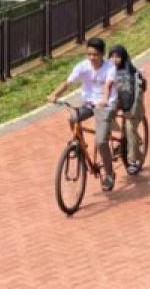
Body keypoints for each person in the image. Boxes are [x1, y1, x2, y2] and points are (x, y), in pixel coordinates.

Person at [47, 37, 118, 190]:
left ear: (102, 54)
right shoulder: (83, 66)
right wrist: (55, 94)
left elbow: (108, 85)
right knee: (72, 117)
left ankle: (110, 175)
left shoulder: (110, 67)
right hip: (89, 104)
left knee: (101, 142)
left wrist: (105, 100)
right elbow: (68, 83)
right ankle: (80, 145)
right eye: (89, 54)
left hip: (105, 106)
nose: (92, 58)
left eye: (95, 55)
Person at [105, 45, 147, 175]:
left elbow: (134, 94)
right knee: (105, 118)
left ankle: (133, 160)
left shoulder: (131, 73)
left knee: (129, 129)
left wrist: (129, 111)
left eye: (118, 57)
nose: (114, 59)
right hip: (119, 101)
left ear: (123, 58)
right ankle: (126, 141)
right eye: (112, 56)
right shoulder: (108, 71)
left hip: (134, 105)